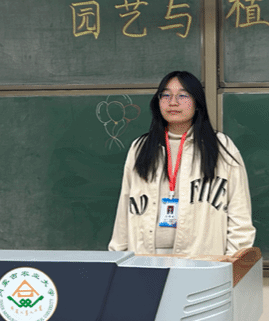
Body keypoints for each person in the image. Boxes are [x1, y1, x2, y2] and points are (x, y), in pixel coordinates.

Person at [109, 71, 255, 258]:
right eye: (166, 95)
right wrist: (118, 258)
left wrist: (229, 262)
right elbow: (124, 209)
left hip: (202, 261)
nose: (173, 102)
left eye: (183, 95)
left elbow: (239, 214)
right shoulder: (140, 147)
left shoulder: (221, 147)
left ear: (197, 102)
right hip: (144, 259)